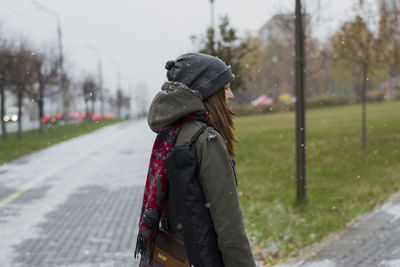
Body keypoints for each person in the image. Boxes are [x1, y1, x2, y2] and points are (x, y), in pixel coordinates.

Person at [136, 52, 256, 267]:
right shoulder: (205, 140)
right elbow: (229, 228)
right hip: (203, 257)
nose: (231, 95)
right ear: (209, 92)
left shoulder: (171, 134)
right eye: (226, 88)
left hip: (177, 259)